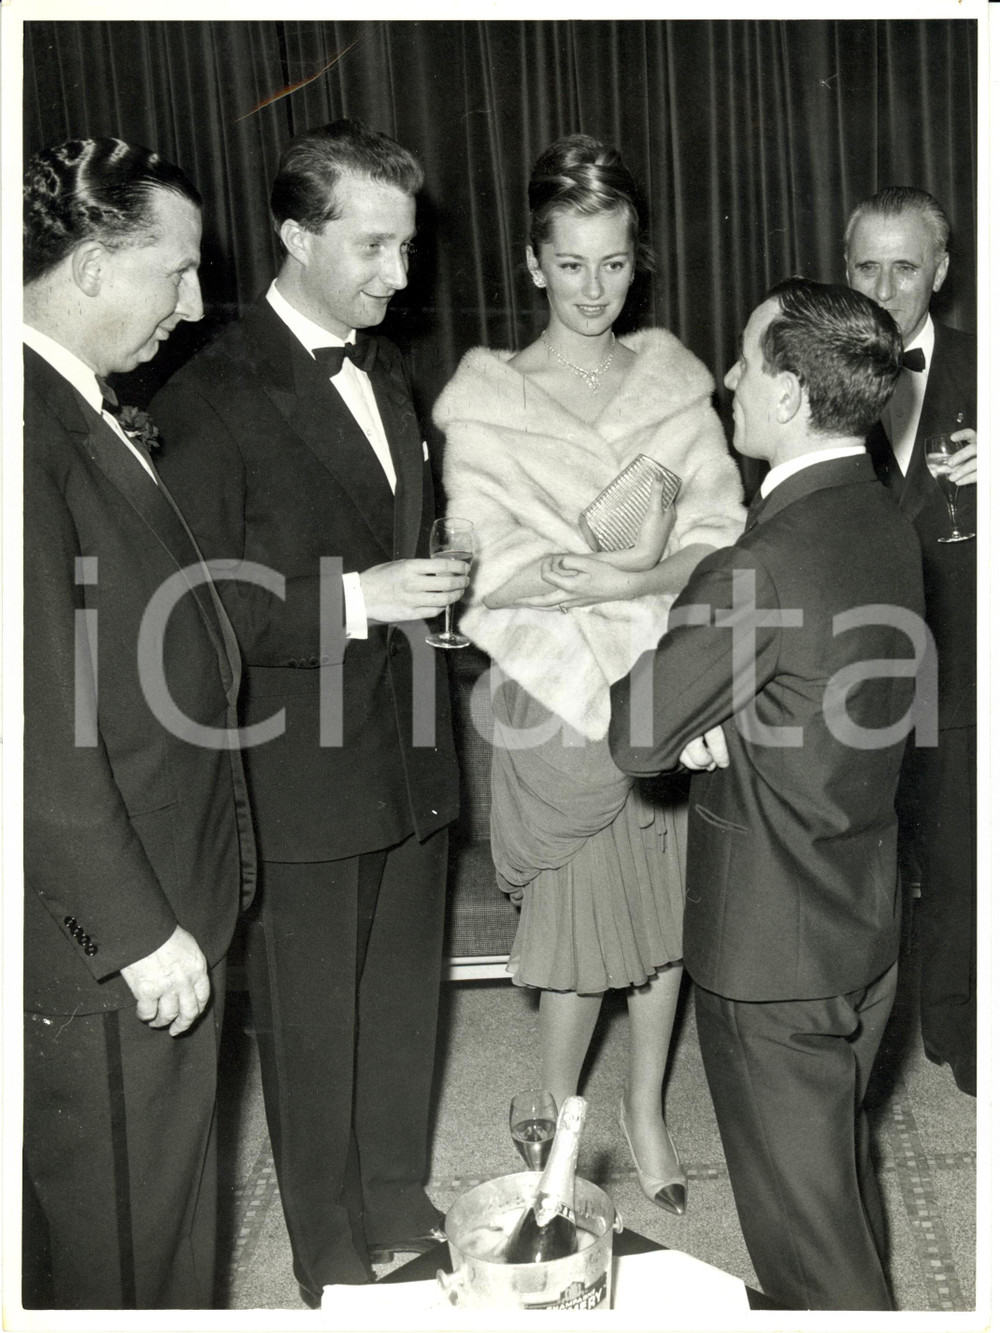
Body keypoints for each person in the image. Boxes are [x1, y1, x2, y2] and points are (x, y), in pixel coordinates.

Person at [151, 119, 465, 1301]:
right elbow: (192, 606)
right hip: (299, 769)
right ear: (294, 234)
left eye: (407, 246)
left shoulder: (388, 373)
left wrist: (431, 589)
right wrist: (359, 600)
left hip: (412, 750)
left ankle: (396, 1198)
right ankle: (332, 1256)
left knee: (400, 1008)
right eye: (373, 247)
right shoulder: (210, 392)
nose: (399, 275)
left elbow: (391, 548)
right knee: (314, 1023)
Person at [436, 136, 745, 1216]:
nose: (592, 287)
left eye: (612, 263)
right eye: (569, 263)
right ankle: (547, 1105)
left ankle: (647, 1110)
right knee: (570, 936)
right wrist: (559, 579)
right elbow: (474, 561)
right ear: (532, 264)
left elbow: (721, 542)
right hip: (552, 694)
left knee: (664, 931)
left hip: (661, 686)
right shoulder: (485, 398)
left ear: (636, 260)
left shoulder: (672, 384)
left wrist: (624, 572)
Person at [609, 279, 924, 1308]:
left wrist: (697, 713)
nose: (729, 378)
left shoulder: (758, 561)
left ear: (789, 393)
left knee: (810, 1251)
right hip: (858, 920)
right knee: (832, 1192)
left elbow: (634, 729)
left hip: (769, 951)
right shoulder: (878, 516)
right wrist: (735, 722)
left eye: (744, 362)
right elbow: (828, 694)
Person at [22, 137, 256, 1309]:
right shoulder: (27, 429)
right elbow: (29, 720)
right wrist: (136, 927)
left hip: (145, 897)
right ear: (95, 264)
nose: (197, 302)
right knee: (127, 1250)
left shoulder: (69, 406)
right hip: (109, 934)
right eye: (177, 270)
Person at [844, 186, 977, 1096]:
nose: (886, 288)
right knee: (856, 875)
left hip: (963, 665)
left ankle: (965, 1038)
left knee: (966, 858)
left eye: (906, 267)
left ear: (940, 270)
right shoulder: (803, 374)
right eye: (866, 267)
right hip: (847, 670)